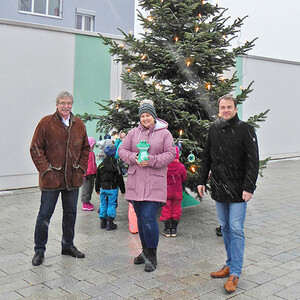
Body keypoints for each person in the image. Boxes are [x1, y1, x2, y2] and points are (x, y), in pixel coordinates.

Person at [197, 94, 259, 293]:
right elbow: (206, 157)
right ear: (219, 109)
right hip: (219, 188)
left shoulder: (246, 130)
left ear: (235, 108)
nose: (225, 110)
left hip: (239, 190)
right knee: (224, 227)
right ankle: (229, 264)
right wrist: (200, 180)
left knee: (236, 228)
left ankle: (235, 273)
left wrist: (249, 187)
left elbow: (253, 161)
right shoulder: (214, 130)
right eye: (222, 107)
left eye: (229, 107)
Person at [30, 91, 90, 266]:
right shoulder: (46, 123)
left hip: (73, 179)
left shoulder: (79, 124)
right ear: (56, 104)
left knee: (70, 214)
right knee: (44, 216)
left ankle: (68, 245)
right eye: (62, 103)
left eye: (69, 103)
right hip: (52, 180)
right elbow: (35, 148)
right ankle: (39, 250)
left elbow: (86, 149)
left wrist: (81, 168)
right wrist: (46, 170)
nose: (66, 106)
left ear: (72, 105)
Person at [118, 99, 176, 272]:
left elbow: (171, 153)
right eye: (142, 116)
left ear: (154, 116)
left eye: (148, 115)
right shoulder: (133, 133)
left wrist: (152, 160)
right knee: (141, 221)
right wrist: (134, 158)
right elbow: (122, 150)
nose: (145, 119)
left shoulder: (164, 134)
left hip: (154, 183)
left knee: (149, 219)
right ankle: (144, 251)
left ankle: (152, 254)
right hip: (136, 184)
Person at [95, 145, 125, 231]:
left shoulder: (101, 165)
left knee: (103, 203)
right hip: (113, 189)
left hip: (103, 188)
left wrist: (97, 188)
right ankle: (110, 223)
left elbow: (97, 178)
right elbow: (120, 178)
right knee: (112, 204)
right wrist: (123, 189)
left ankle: (103, 222)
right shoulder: (116, 165)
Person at [159, 146, 187, 237]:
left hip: (166, 192)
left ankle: (167, 228)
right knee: (176, 208)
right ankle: (174, 228)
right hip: (177, 191)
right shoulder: (181, 166)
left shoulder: (164, 166)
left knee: (166, 208)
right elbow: (184, 178)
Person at [81, 137, 97, 211]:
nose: (93, 147)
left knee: (90, 188)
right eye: (93, 145)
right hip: (86, 175)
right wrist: (84, 173)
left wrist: (96, 171)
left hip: (92, 174)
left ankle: (88, 201)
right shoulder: (85, 154)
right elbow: (83, 164)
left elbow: (93, 164)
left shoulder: (92, 153)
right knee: (86, 188)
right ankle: (85, 202)